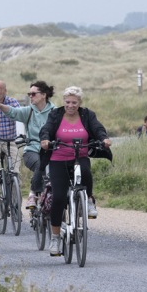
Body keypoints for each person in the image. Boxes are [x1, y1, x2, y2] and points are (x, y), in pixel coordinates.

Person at [40, 87, 112, 256]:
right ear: (63, 101)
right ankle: (56, 238)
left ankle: (87, 201)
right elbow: (47, 128)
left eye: (74, 102)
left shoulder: (87, 114)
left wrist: (104, 139)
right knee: (58, 198)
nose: (70, 105)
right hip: (58, 160)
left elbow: (97, 128)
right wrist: (45, 140)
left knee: (86, 171)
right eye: (67, 102)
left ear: (80, 103)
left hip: (81, 155)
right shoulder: (56, 114)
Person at [0, 80, 56, 208]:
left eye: (33, 94)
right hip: (32, 150)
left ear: (44, 94)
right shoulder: (28, 111)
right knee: (40, 164)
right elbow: (13, 112)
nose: (30, 96)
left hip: (50, 151)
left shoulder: (55, 112)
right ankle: (32, 194)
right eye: (29, 94)